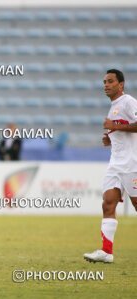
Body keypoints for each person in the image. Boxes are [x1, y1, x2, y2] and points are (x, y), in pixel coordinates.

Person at [84, 69, 137, 263]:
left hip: (132, 164)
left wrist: (115, 126)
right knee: (108, 204)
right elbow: (122, 130)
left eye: (110, 81)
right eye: (105, 81)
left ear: (121, 84)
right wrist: (110, 138)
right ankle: (106, 251)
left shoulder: (128, 102)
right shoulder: (113, 106)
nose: (106, 84)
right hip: (115, 164)